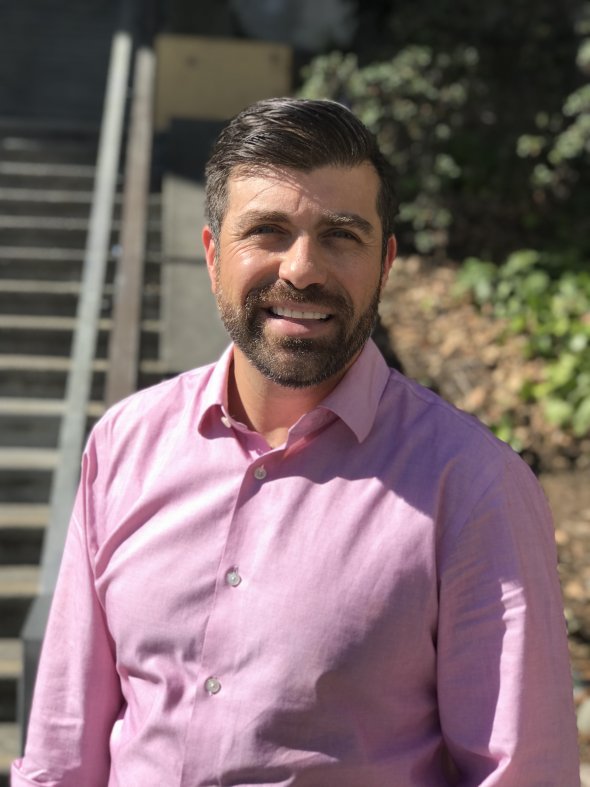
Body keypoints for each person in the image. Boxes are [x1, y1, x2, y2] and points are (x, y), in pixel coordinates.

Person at [12, 98, 579, 786]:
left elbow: (521, 772)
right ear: (213, 254)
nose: (302, 268)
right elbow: (62, 753)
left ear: (385, 263)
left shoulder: (471, 484)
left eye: (341, 235)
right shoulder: (124, 445)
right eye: (268, 231)